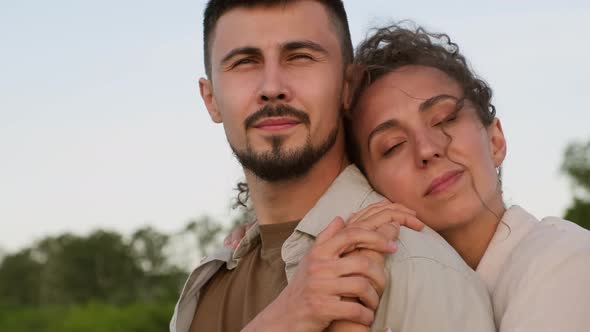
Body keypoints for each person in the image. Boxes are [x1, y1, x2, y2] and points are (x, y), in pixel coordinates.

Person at [171, 1, 496, 332]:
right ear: (210, 98)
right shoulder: (207, 284)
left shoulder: (417, 270)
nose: (272, 88)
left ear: (348, 85)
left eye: (300, 57)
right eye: (244, 62)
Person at [345, 23, 590, 331]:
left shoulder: (564, 261)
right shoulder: (406, 300)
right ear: (368, 187)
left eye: (445, 118)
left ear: (495, 141)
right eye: (393, 146)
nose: (427, 149)